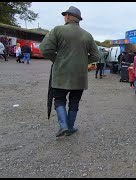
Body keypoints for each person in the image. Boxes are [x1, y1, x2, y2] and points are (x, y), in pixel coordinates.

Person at [39, 6, 99, 137]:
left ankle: (64, 126)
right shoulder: (87, 35)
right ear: (78, 19)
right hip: (80, 76)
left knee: (59, 99)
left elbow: (44, 49)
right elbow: (96, 56)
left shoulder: (58, 30)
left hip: (61, 73)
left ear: (67, 16)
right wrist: (83, 61)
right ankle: (70, 127)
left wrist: (57, 59)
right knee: (74, 101)